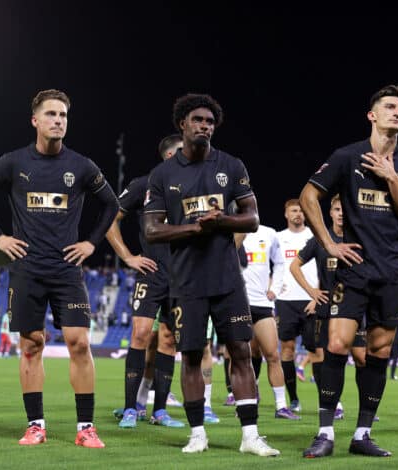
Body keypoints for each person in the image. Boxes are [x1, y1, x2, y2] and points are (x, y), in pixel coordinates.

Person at [0, 89, 119, 448]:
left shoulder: (81, 165)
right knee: (31, 346)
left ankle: (86, 428)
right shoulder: (13, 162)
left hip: (67, 270)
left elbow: (111, 204)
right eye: (51, 114)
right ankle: (35, 425)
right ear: (35, 120)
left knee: (79, 343)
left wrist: (90, 243)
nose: (58, 120)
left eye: (63, 115)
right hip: (26, 269)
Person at [143, 93, 279, 456]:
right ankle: (197, 434)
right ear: (182, 125)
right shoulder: (163, 174)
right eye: (198, 120)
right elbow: (152, 231)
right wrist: (194, 229)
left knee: (240, 352)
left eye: (210, 121)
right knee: (189, 355)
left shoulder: (231, 166)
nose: (204, 126)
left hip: (227, 279)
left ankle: (250, 436)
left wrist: (221, 221)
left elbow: (252, 218)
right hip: (186, 282)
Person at [299, 84, 398, 458]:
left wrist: (390, 177)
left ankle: (362, 434)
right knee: (336, 344)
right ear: (372, 114)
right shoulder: (346, 156)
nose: (397, 112)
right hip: (353, 268)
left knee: (380, 350)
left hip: (393, 270)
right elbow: (308, 196)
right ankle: (325, 433)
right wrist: (329, 244)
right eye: (390, 106)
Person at [106, 134, 185, 429]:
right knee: (140, 335)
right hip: (151, 273)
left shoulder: (191, 187)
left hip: (181, 276)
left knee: (168, 340)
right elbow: (110, 219)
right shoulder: (144, 184)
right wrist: (128, 257)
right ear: (168, 156)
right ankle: (130, 408)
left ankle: (160, 411)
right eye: (181, 150)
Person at [290, 195, 358, 420]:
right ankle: (331, 403)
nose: (341, 213)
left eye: (344, 209)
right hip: (326, 309)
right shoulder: (321, 239)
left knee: (362, 357)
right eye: (337, 209)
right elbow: (294, 266)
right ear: (330, 213)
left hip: (354, 308)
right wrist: (312, 293)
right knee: (321, 357)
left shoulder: (360, 238)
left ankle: (366, 404)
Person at [239, 225, 300, 420]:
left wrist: (275, 287)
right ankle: (244, 404)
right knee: (242, 358)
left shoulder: (268, 233)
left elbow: (280, 262)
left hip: (262, 304)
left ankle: (281, 407)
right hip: (238, 303)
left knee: (273, 355)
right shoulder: (229, 232)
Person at [271, 199, 318, 412]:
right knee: (287, 350)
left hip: (312, 300)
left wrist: (316, 297)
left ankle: (328, 401)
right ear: (286, 214)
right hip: (286, 301)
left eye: (300, 210)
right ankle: (294, 400)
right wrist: (271, 289)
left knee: (317, 351)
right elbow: (268, 265)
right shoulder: (278, 238)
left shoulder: (315, 235)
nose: (298, 214)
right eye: (293, 210)